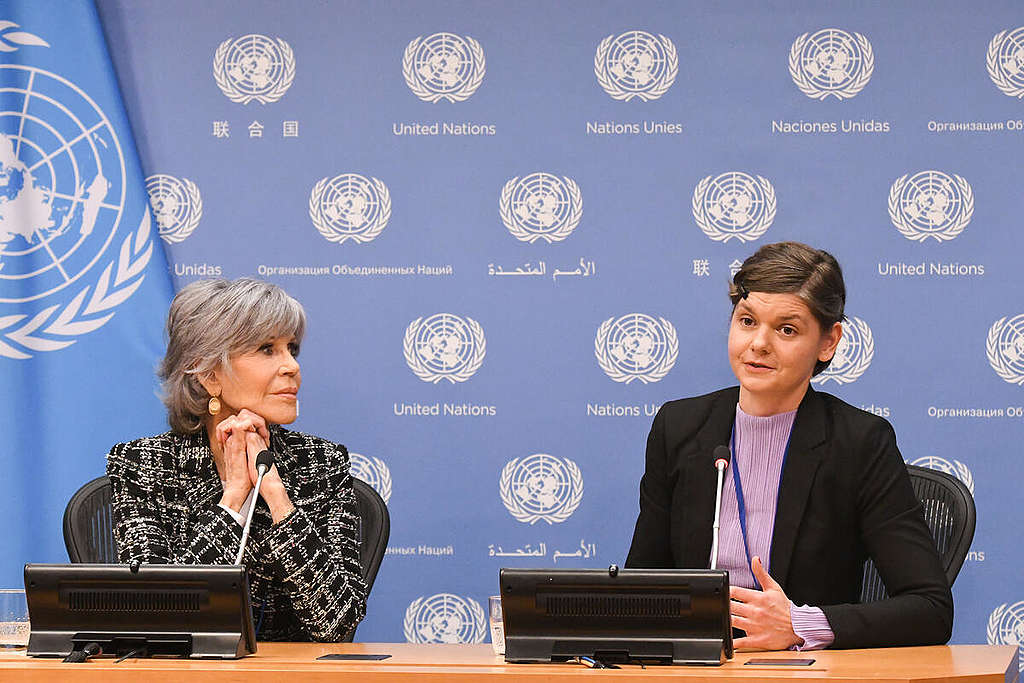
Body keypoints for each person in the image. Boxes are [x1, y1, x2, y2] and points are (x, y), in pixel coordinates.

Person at [625, 242, 952, 651]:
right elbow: (640, 586)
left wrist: (800, 623)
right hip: (697, 667)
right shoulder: (679, 428)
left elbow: (930, 609)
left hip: (803, 671)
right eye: (747, 321)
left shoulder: (860, 443)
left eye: (786, 329)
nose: (759, 343)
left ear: (828, 342)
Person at [107, 278, 366, 641]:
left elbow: (338, 624)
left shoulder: (321, 464)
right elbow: (160, 620)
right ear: (210, 374)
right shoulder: (143, 465)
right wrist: (233, 501)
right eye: (266, 349)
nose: (291, 366)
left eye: (291, 348)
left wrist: (277, 496)